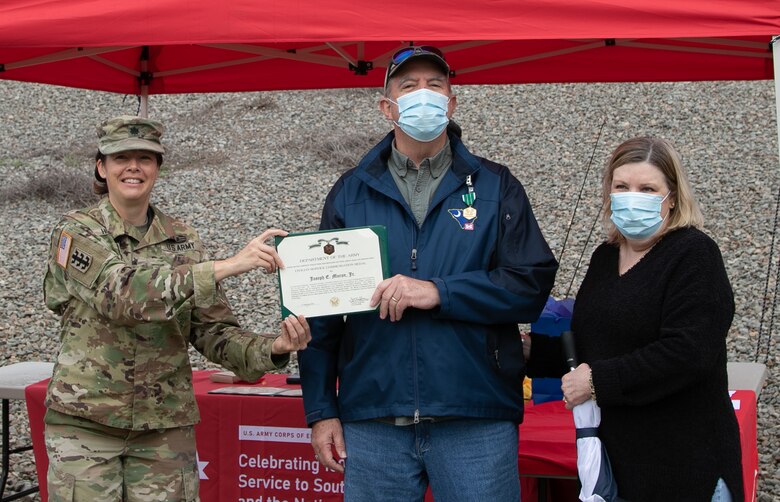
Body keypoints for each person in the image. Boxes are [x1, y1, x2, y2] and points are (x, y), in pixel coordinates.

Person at [298, 46, 558, 501]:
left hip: (475, 416)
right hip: (374, 419)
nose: (424, 96)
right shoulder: (350, 192)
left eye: (435, 86)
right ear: (387, 106)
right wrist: (322, 411)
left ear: (452, 103)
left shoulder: (498, 186)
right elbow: (322, 311)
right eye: (409, 86)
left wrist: (439, 291)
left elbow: (529, 285)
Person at [43, 115, 311, 501]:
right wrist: (229, 265)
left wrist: (274, 348)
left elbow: (212, 332)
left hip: (163, 431)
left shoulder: (184, 241)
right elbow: (121, 294)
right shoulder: (76, 232)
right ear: (102, 167)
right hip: (87, 427)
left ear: (157, 169)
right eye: (121, 158)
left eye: (145, 158)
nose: (133, 167)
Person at [525, 137, 744, 501]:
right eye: (622, 186)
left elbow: (688, 352)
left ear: (671, 197)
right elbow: (595, 342)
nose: (632, 196)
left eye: (647, 188)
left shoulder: (694, 254)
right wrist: (534, 351)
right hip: (616, 467)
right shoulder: (605, 257)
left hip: (685, 468)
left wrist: (597, 381)